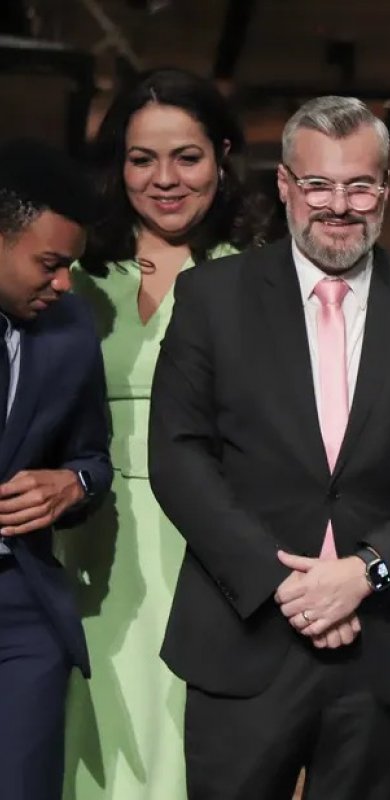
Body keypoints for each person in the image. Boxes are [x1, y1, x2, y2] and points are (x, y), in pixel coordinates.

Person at [148, 95, 390, 800]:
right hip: (245, 637)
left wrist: (367, 571)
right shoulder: (210, 297)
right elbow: (178, 457)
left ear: (385, 189)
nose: (339, 205)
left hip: (382, 644)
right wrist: (286, 586)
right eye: (318, 185)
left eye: (359, 186)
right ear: (284, 185)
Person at [59, 67, 267, 800]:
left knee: (184, 744)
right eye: (142, 159)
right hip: (85, 541)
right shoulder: (73, 271)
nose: (165, 179)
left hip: (208, 544)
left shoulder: (260, 276)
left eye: (187, 157)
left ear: (223, 156)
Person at [0, 138, 112, 800]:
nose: (65, 282)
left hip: (22, 609)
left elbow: (93, 457)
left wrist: (74, 484)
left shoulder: (71, 327)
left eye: (69, 265)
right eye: (50, 263)